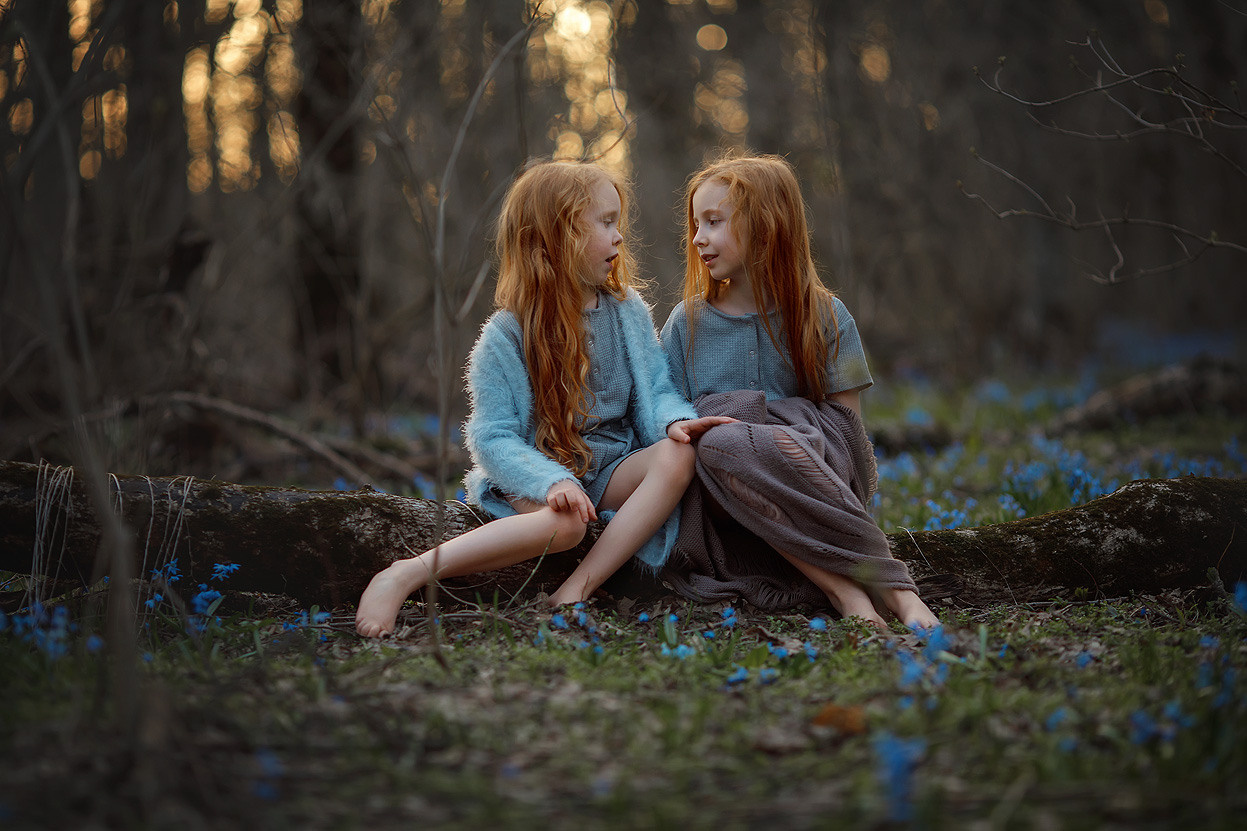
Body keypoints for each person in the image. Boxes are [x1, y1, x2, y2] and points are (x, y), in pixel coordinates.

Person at [356, 159, 731, 638]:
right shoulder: (507, 335)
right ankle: (407, 572)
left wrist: (672, 422)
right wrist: (550, 479)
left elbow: (656, 390)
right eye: (606, 222)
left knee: (680, 453)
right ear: (560, 235)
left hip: (609, 469)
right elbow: (493, 438)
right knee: (567, 525)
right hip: (537, 473)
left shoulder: (627, 313)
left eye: (619, 222)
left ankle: (576, 589)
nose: (619, 236)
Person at [660, 152, 939, 631]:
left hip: (813, 475)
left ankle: (899, 596)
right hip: (729, 492)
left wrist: (780, 432)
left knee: (746, 439)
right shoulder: (685, 325)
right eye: (695, 224)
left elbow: (846, 431)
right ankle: (847, 590)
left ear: (766, 224)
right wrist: (739, 428)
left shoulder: (828, 316)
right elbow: (673, 421)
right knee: (721, 440)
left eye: (713, 221)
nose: (698, 238)